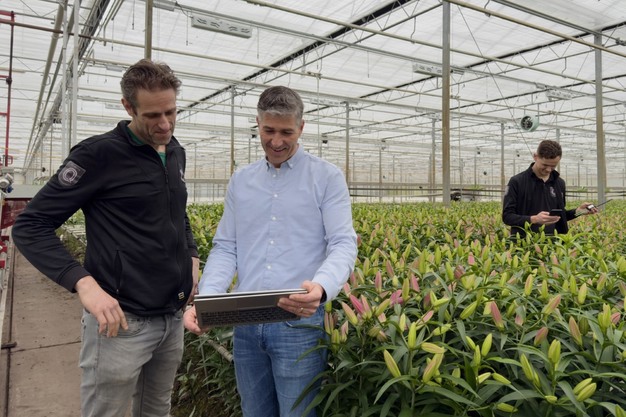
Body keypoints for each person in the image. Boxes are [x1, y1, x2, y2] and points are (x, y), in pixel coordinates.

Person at [12, 59, 199, 417]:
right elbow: (31, 225)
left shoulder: (175, 151)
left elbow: (176, 212)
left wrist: (191, 255)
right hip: (122, 322)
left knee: (157, 409)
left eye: (171, 112)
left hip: (172, 317)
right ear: (128, 107)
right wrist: (83, 283)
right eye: (153, 115)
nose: (164, 124)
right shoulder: (98, 155)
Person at [184, 85, 357, 417]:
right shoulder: (242, 180)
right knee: (254, 411)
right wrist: (209, 301)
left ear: (301, 128)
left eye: (286, 132)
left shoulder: (326, 177)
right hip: (245, 322)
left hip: (298, 320)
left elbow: (343, 243)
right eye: (269, 131)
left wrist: (322, 287)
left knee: (298, 412)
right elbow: (226, 246)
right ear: (258, 124)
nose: (276, 141)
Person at [502, 139, 598, 238]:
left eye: (553, 166)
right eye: (545, 165)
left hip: (554, 242)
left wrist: (580, 211)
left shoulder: (559, 183)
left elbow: (560, 216)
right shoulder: (517, 182)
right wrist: (534, 219)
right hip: (524, 241)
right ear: (535, 157)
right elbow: (507, 216)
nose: (548, 169)